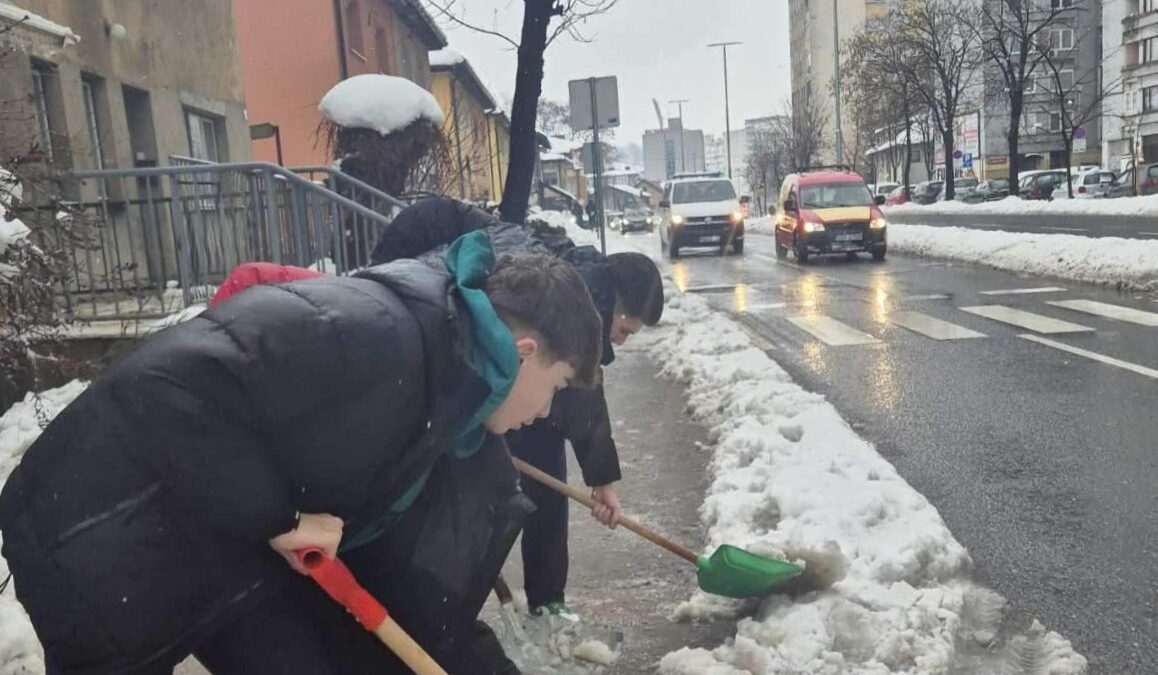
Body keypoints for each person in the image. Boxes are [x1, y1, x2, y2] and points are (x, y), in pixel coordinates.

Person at [0, 231, 603, 674]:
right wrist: (280, 519)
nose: (547, 414)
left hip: (219, 546)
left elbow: (421, 601)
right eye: (555, 388)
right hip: (99, 520)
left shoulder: (450, 400)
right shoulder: (381, 336)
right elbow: (166, 392)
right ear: (523, 353)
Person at [370, 197, 665, 620]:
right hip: (455, 356)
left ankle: (541, 600)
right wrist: (602, 484)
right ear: (616, 304)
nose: (621, 341)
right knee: (488, 488)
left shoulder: (582, 279)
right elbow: (584, 396)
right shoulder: (578, 293)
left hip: (480, 362)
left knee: (543, 470)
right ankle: (444, 607)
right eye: (625, 330)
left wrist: (601, 479)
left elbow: (579, 393)